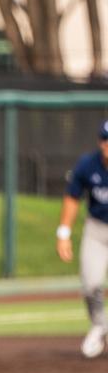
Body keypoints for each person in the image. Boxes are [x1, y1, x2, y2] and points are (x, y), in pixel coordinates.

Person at [57, 120, 108, 358]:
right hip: (97, 229)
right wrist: (64, 233)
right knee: (91, 285)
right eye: (106, 140)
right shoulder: (88, 165)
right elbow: (72, 198)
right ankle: (99, 326)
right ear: (100, 142)